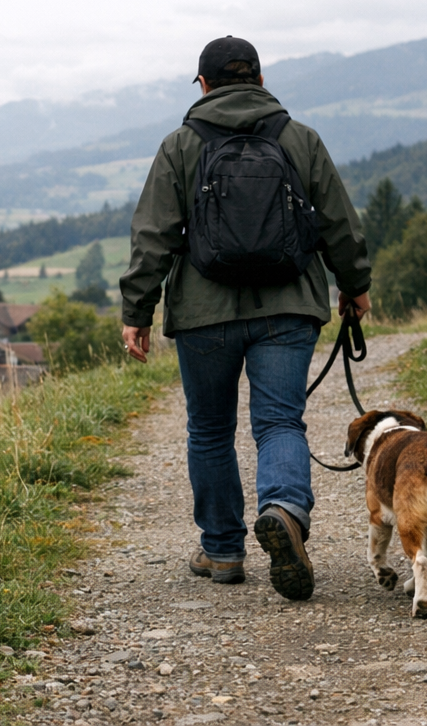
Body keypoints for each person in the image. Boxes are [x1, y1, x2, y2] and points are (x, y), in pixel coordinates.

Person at [118, 36, 371, 601]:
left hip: (203, 315)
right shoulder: (299, 139)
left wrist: (137, 309)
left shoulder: (180, 145)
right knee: (279, 422)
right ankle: (283, 511)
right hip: (286, 307)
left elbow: (152, 235)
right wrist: (354, 287)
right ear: (259, 81)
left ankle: (223, 549)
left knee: (209, 429)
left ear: (203, 86)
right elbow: (339, 223)